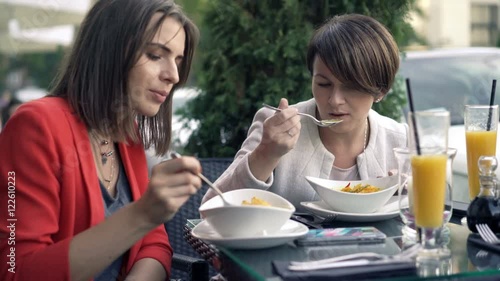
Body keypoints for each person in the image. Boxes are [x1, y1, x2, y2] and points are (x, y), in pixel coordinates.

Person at [0, 0, 200, 280]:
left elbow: (154, 244)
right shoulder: (36, 125)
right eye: (156, 55)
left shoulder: (127, 137)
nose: (174, 76)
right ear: (110, 51)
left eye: (178, 61)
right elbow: (16, 270)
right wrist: (142, 214)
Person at [202, 14, 408, 210]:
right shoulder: (274, 126)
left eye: (351, 87)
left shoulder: (400, 141)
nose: (334, 100)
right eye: (323, 84)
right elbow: (211, 208)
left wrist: (413, 194)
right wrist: (265, 154)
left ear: (381, 90)